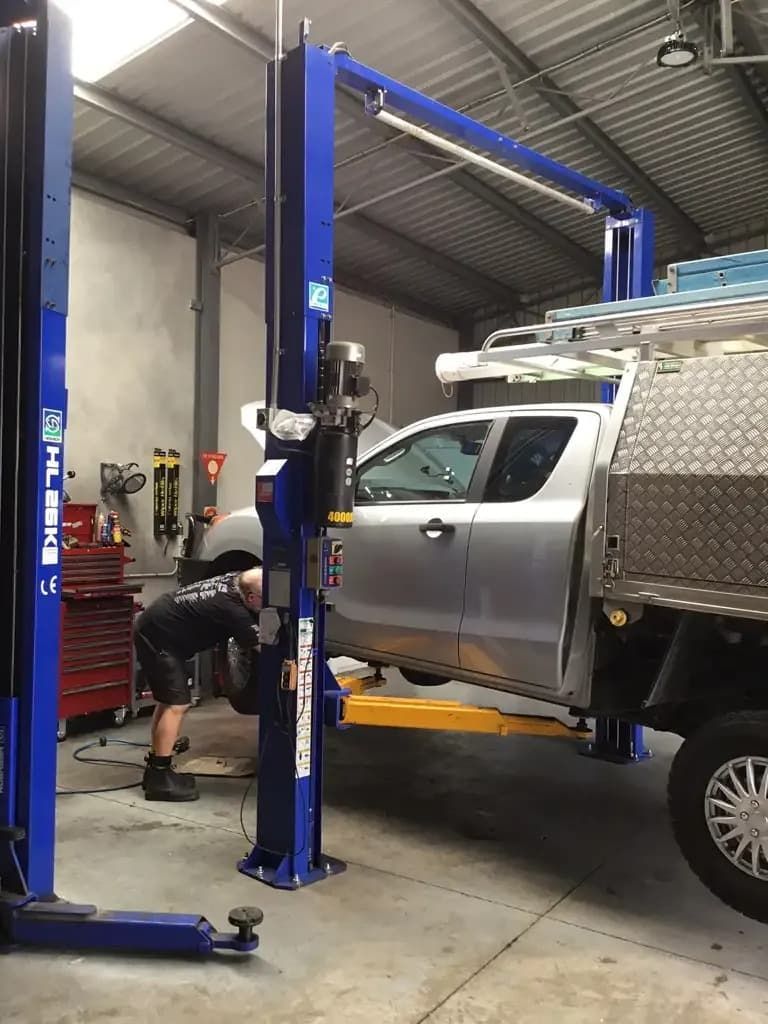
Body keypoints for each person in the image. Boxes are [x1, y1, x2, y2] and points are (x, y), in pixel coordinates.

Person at [134, 568, 262, 802]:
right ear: (252, 598)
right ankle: (160, 778)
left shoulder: (235, 580)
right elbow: (263, 647)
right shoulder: (232, 609)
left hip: (156, 625)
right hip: (158, 638)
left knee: (168, 701)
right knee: (177, 704)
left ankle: (156, 765)